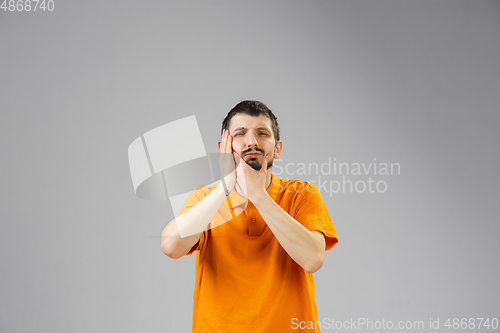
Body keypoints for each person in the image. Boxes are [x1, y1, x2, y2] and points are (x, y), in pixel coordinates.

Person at [161, 100, 338, 332]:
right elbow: (171, 246)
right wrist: (225, 187)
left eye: (262, 133)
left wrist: (258, 196)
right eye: (240, 133)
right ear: (224, 147)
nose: (251, 141)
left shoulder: (302, 194)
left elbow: (313, 259)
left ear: (278, 148)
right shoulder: (205, 198)